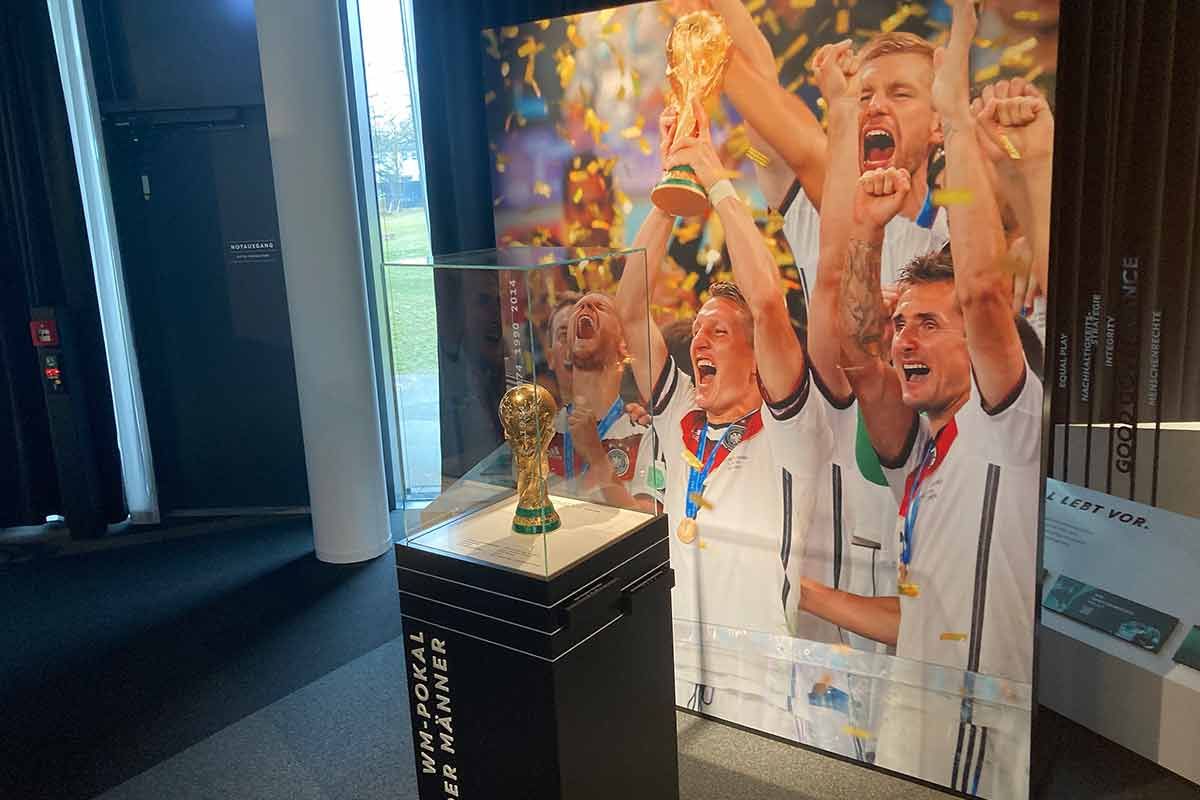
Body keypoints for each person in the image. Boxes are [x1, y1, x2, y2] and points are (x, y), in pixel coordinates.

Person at [800, 3, 1041, 795]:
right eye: (904, 323)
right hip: (912, 735)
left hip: (984, 745)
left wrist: (958, 111)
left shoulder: (1008, 426)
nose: (906, 339)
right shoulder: (922, 456)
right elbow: (859, 351)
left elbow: (983, 289)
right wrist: (868, 233)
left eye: (928, 325)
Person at [617, 101, 834, 743]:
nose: (699, 341)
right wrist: (672, 185)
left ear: (757, 355)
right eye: (698, 330)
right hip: (676, 674)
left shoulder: (791, 427)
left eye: (719, 332)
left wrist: (716, 182)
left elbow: (767, 302)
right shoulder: (680, 412)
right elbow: (629, 309)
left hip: (763, 694)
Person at [545, 292, 657, 511]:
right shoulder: (545, 434)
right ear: (566, 350)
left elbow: (650, 522)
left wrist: (596, 454)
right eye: (580, 307)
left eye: (600, 307)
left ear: (624, 346)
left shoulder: (645, 434)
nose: (586, 307)